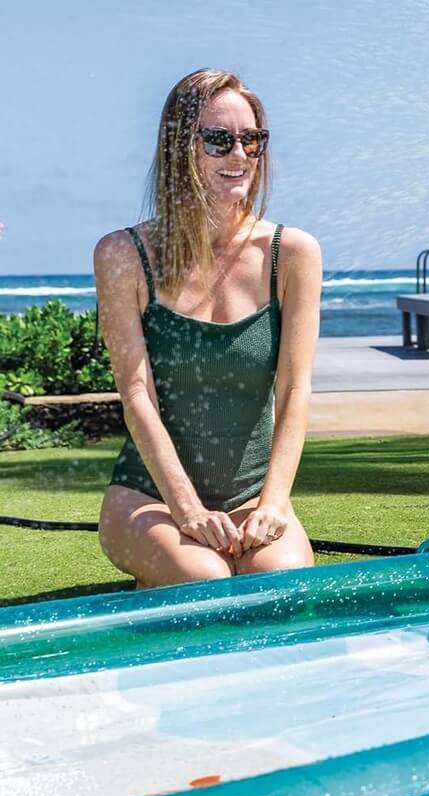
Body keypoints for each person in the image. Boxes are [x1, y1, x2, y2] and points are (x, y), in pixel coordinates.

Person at [94, 69, 322, 588]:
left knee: (279, 586)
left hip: (253, 499)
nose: (239, 155)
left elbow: (295, 389)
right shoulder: (123, 255)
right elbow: (136, 394)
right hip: (149, 499)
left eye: (251, 139)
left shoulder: (292, 253)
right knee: (205, 580)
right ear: (179, 148)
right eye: (219, 140)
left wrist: (273, 503)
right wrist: (188, 510)